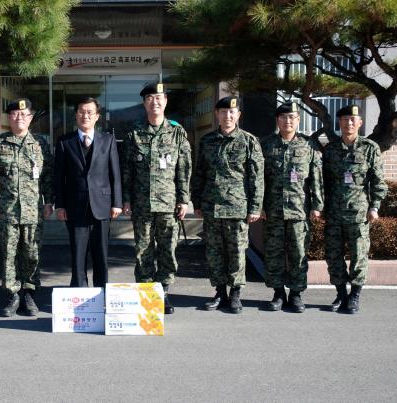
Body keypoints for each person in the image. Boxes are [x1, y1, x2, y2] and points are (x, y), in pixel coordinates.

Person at [122, 83, 192, 315]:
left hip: (168, 203)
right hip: (141, 204)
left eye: (159, 98)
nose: (155, 102)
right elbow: (127, 170)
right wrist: (126, 198)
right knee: (143, 250)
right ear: (144, 103)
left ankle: (163, 293)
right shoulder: (134, 132)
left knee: (167, 250)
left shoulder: (176, 132)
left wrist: (183, 199)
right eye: (150, 98)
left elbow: (184, 168)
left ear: (165, 101)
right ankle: (145, 295)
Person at [191, 96, 264, 314]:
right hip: (212, 207)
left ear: (238, 115)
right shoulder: (207, 141)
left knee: (236, 252)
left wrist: (255, 207)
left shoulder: (249, 141)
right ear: (217, 115)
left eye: (232, 112)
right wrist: (197, 201)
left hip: (237, 208)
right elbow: (200, 173)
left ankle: (235, 294)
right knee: (215, 252)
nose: (228, 116)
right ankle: (219, 292)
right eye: (223, 112)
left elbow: (256, 177)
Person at [0, 98, 54, 317]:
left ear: (30, 118)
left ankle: (30, 294)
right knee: (9, 255)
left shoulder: (40, 143)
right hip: (7, 210)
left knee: (32, 253)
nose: (19, 118)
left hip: (33, 211)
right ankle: (12, 295)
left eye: (24, 114)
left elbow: (48, 175)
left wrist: (49, 201)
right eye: (14, 114)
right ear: (8, 118)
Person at [260, 102, 323, 313]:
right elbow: (259, 179)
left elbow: (316, 178)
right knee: (274, 253)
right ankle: (278, 293)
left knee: (298, 253)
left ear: (298, 120)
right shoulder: (266, 144)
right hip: (273, 210)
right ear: (278, 120)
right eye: (284, 117)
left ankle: (296, 294)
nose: (288, 121)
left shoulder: (308, 145)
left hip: (299, 210)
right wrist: (258, 206)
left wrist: (317, 205)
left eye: (292, 117)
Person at [323, 104, 387, 314]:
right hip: (333, 212)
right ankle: (341, 294)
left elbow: (378, 181)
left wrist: (375, 206)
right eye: (345, 119)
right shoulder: (331, 149)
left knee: (359, 256)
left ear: (359, 123)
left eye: (353, 119)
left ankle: (355, 296)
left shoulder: (369, 148)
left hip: (359, 213)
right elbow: (323, 181)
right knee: (333, 255)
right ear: (339, 123)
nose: (349, 123)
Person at [54, 97, 122, 287]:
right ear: (76, 115)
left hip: (102, 206)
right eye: (81, 112)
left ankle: (102, 293)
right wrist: (60, 204)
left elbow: (115, 174)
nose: (85, 115)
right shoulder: (64, 142)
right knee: (78, 254)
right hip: (75, 206)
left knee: (101, 254)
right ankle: (79, 293)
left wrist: (117, 202)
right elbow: (58, 177)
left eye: (90, 112)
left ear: (97, 116)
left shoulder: (108, 140)